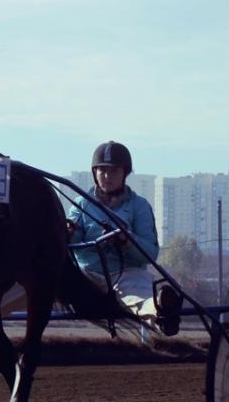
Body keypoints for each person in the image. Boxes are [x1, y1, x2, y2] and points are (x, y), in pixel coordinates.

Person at [68, 140, 179, 336]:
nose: (107, 176)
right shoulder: (80, 203)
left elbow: (150, 253)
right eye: (102, 170)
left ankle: (162, 312)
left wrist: (127, 241)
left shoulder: (140, 206)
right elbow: (72, 244)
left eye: (113, 171)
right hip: (86, 276)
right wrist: (67, 233)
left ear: (125, 173)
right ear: (94, 173)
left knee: (139, 299)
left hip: (127, 275)